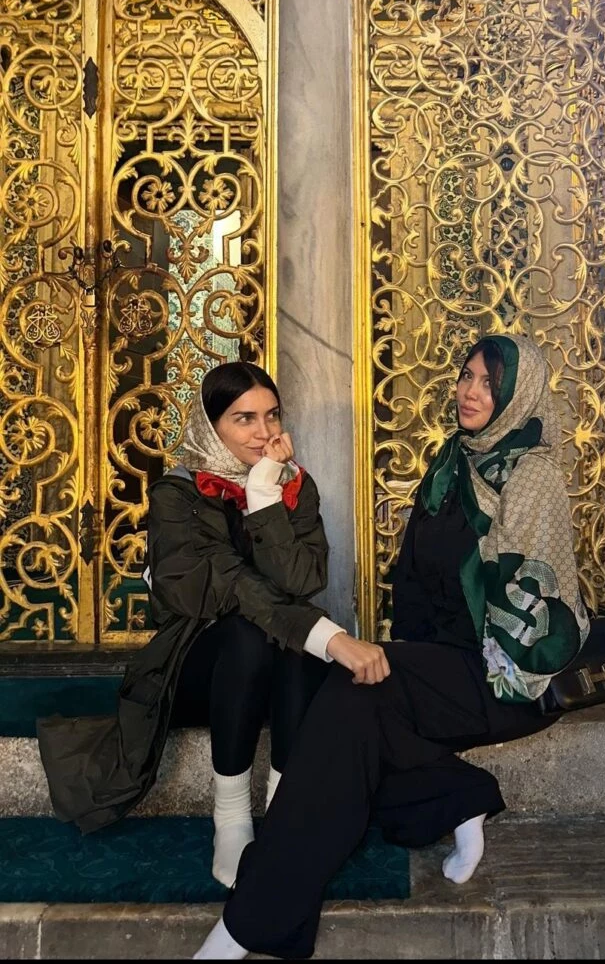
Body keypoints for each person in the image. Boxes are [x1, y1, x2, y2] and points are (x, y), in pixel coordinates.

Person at [193, 333, 590, 960]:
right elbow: (415, 581)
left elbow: (532, 608)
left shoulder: (530, 474)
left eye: (489, 383)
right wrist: (408, 662)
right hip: (444, 664)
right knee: (357, 690)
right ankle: (458, 798)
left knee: (353, 700)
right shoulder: (452, 464)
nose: (470, 392)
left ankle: (245, 927)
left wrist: (417, 668)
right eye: (466, 375)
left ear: (518, 395)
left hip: (509, 673)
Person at [37, 362, 388, 888]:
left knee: (290, 645)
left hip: (281, 668)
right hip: (198, 669)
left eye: (272, 415)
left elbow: (304, 578)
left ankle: (286, 811)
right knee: (251, 635)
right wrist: (331, 637)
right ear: (211, 423)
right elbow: (226, 586)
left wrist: (265, 495)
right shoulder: (176, 495)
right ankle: (231, 817)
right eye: (244, 418)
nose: (264, 432)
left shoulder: (293, 486)